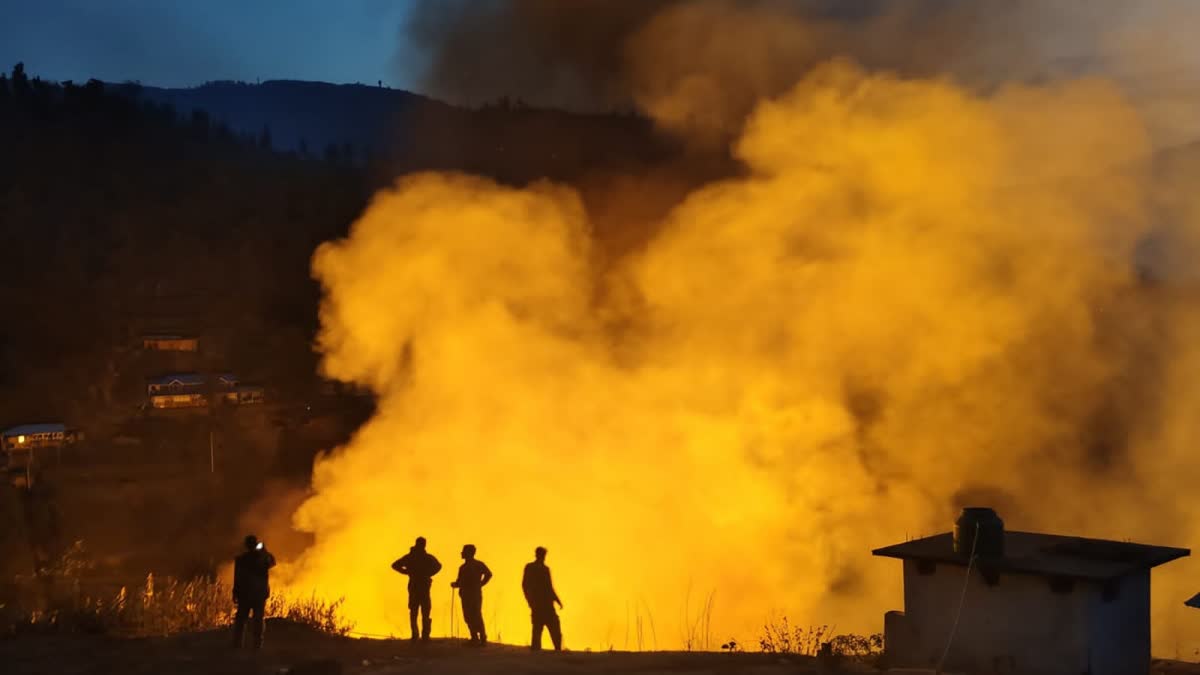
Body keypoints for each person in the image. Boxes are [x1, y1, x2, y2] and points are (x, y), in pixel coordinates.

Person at [391, 536, 442, 641]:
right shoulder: (415, 557)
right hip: (418, 586)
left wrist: (408, 572)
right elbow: (395, 565)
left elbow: (438, 566)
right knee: (419, 611)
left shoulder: (415, 557)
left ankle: (421, 635)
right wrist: (408, 572)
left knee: (420, 611)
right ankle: (420, 635)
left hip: (418, 586)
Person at [232, 534, 276, 649]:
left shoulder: (241, 559)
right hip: (258, 595)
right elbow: (273, 562)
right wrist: (265, 551)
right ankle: (257, 644)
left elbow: (237, 577)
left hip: (245, 594)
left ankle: (238, 643)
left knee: (241, 620)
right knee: (257, 619)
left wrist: (235, 592)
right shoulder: (261, 559)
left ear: (246, 545)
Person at [522, 546, 563, 651]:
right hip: (537, 604)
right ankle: (536, 651)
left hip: (548, 604)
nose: (543, 557)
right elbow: (525, 585)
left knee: (554, 627)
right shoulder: (530, 567)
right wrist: (530, 600)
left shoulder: (545, 569)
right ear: (537, 554)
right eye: (541, 554)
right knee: (537, 628)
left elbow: (549, 587)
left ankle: (557, 650)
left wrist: (557, 600)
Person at [450, 544, 493, 645]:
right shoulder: (463, 567)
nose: (462, 553)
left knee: (475, 614)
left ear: (469, 553)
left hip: (473, 594)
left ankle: (481, 637)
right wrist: (455, 585)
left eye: (464, 551)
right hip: (466, 594)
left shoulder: (477, 565)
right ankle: (475, 637)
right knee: (468, 616)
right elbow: (460, 581)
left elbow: (489, 574)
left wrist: (481, 584)